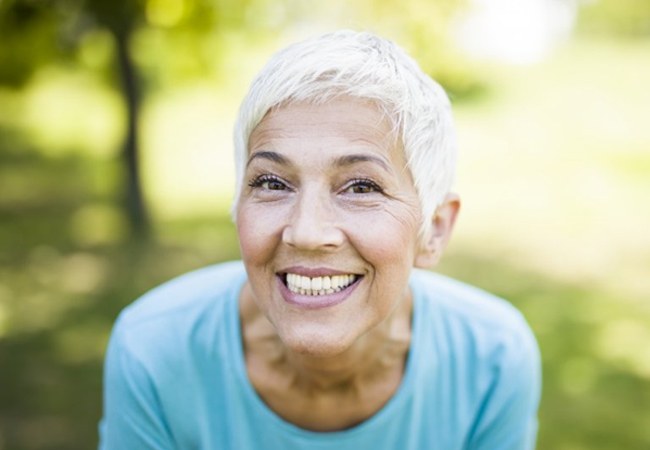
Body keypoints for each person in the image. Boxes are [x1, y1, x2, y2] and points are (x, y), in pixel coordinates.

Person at [99, 30, 541, 449]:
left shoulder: (492, 360)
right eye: (272, 182)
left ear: (435, 229)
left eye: (362, 187)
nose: (307, 233)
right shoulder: (154, 351)